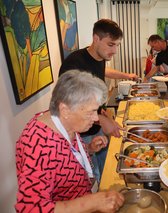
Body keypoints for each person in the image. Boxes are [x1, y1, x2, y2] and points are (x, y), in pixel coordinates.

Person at [15, 70, 125, 212]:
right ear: (65, 110)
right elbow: (29, 208)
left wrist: (89, 149)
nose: (96, 119)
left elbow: (64, 157)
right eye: (90, 112)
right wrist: (92, 202)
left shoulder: (62, 121)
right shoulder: (38, 145)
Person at [59, 19, 139, 183]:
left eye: (117, 45)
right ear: (96, 39)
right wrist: (101, 119)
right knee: (90, 177)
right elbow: (69, 104)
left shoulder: (100, 58)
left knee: (106, 170)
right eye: (111, 45)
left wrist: (103, 114)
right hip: (81, 135)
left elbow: (103, 73)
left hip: (96, 125)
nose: (115, 50)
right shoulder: (74, 64)